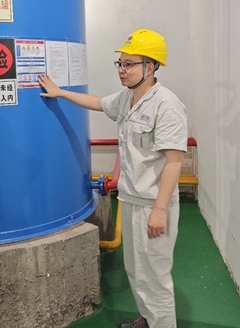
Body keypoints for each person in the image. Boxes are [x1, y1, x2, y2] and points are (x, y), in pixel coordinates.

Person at [38, 29, 187, 328]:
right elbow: (98, 102)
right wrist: (61, 92)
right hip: (131, 199)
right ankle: (148, 319)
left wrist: (160, 210)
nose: (122, 69)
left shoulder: (166, 105)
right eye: (120, 63)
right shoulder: (128, 98)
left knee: (155, 277)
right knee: (136, 270)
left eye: (129, 64)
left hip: (152, 204)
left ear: (150, 66)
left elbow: (174, 161)